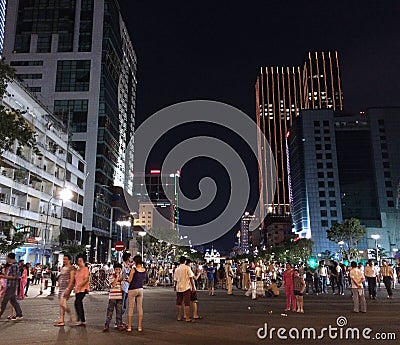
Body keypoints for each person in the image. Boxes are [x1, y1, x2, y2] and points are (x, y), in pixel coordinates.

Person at [0, 253, 24, 320]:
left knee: (4, 301)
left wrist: (4, 276)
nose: (7, 259)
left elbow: (15, 277)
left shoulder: (14, 265)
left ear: (10, 258)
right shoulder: (15, 265)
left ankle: (0, 313)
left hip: (11, 286)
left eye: (7, 258)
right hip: (11, 285)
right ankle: (19, 314)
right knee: (13, 301)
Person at [53, 254, 75, 326]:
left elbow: (72, 279)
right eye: (63, 259)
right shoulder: (63, 268)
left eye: (65, 259)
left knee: (63, 303)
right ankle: (61, 320)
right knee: (61, 305)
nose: (64, 260)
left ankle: (71, 315)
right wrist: (58, 285)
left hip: (66, 288)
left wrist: (69, 288)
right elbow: (60, 278)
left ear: (69, 260)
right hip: (61, 288)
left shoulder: (71, 268)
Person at [126, 255, 147, 332]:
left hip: (132, 289)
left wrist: (125, 279)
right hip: (140, 289)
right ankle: (139, 326)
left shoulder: (133, 269)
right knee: (140, 308)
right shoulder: (144, 269)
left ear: (135, 261)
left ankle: (129, 327)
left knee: (131, 308)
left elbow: (130, 280)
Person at [103, 263, 125, 332]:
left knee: (119, 312)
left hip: (119, 297)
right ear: (114, 269)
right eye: (116, 269)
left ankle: (119, 325)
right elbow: (113, 284)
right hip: (112, 297)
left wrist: (121, 281)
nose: (117, 271)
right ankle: (107, 325)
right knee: (110, 312)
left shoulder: (121, 278)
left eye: (119, 269)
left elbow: (122, 287)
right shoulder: (111, 276)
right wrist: (117, 277)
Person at [173, 255, 195, 322]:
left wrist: (175, 287)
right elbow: (191, 278)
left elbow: (175, 279)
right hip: (186, 287)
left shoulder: (177, 269)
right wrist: (193, 287)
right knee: (187, 303)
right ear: (185, 261)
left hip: (179, 287)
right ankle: (187, 317)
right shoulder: (187, 268)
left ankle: (179, 316)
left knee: (179, 302)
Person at [74, 254, 89, 326]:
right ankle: (81, 319)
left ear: (84, 262)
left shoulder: (85, 269)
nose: (79, 262)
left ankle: (81, 319)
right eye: (78, 261)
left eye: (80, 261)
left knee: (78, 302)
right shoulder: (78, 270)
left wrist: (79, 285)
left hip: (83, 289)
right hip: (77, 290)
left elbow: (86, 279)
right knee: (78, 303)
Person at [121, 252, 132, 318]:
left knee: (124, 306)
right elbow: (121, 277)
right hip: (123, 288)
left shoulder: (129, 267)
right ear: (128, 258)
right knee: (121, 305)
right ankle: (118, 322)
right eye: (130, 257)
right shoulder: (122, 267)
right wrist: (127, 279)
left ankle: (119, 321)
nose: (131, 258)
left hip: (127, 288)